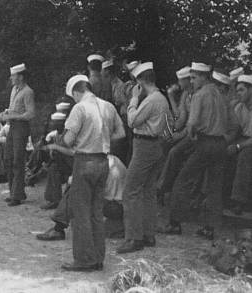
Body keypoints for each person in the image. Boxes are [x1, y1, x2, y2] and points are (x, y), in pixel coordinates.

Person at [58, 74, 125, 272]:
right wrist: (102, 139)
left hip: (84, 160)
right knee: (96, 211)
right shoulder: (108, 106)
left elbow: (68, 140)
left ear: (76, 92)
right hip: (103, 161)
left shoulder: (79, 108)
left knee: (81, 213)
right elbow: (121, 133)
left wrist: (71, 140)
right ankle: (98, 258)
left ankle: (84, 259)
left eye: (73, 96)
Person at [164, 62, 229, 240]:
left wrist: (193, 136)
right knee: (215, 187)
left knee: (182, 181)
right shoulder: (221, 95)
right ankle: (210, 228)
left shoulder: (200, 95)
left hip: (205, 142)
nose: (191, 81)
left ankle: (175, 223)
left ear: (203, 76)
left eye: (193, 78)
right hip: (221, 143)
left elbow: (191, 124)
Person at [116, 62, 169, 254]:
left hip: (144, 145)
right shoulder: (162, 98)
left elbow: (132, 121)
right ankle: (148, 234)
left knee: (130, 191)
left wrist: (133, 100)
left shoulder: (150, 100)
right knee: (148, 192)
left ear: (140, 82)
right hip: (155, 145)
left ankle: (133, 237)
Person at [36, 153, 126, 241]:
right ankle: (61, 223)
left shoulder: (100, 166)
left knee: (76, 191)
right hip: (116, 203)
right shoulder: (111, 159)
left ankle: (58, 228)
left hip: (115, 206)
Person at [0, 63, 35, 207]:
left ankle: (17, 194)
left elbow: (31, 113)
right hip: (13, 126)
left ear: (20, 76)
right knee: (8, 158)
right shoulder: (14, 90)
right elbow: (12, 108)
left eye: (13, 76)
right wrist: (6, 114)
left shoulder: (28, 92)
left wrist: (15, 116)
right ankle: (13, 191)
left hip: (21, 127)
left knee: (17, 160)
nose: (11, 78)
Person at [157, 66, 195, 197]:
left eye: (180, 80)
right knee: (163, 143)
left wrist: (178, 136)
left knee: (174, 151)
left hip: (195, 135)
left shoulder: (197, 95)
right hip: (187, 132)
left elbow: (193, 124)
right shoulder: (186, 95)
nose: (178, 84)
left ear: (188, 80)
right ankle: (159, 182)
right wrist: (171, 97)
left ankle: (161, 187)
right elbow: (180, 119)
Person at [227, 75, 252, 215]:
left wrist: (237, 147)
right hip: (244, 139)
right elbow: (234, 129)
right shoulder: (239, 107)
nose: (238, 94)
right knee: (221, 151)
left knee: (244, 155)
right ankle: (218, 196)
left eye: (242, 90)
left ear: (251, 90)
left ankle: (239, 201)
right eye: (237, 91)